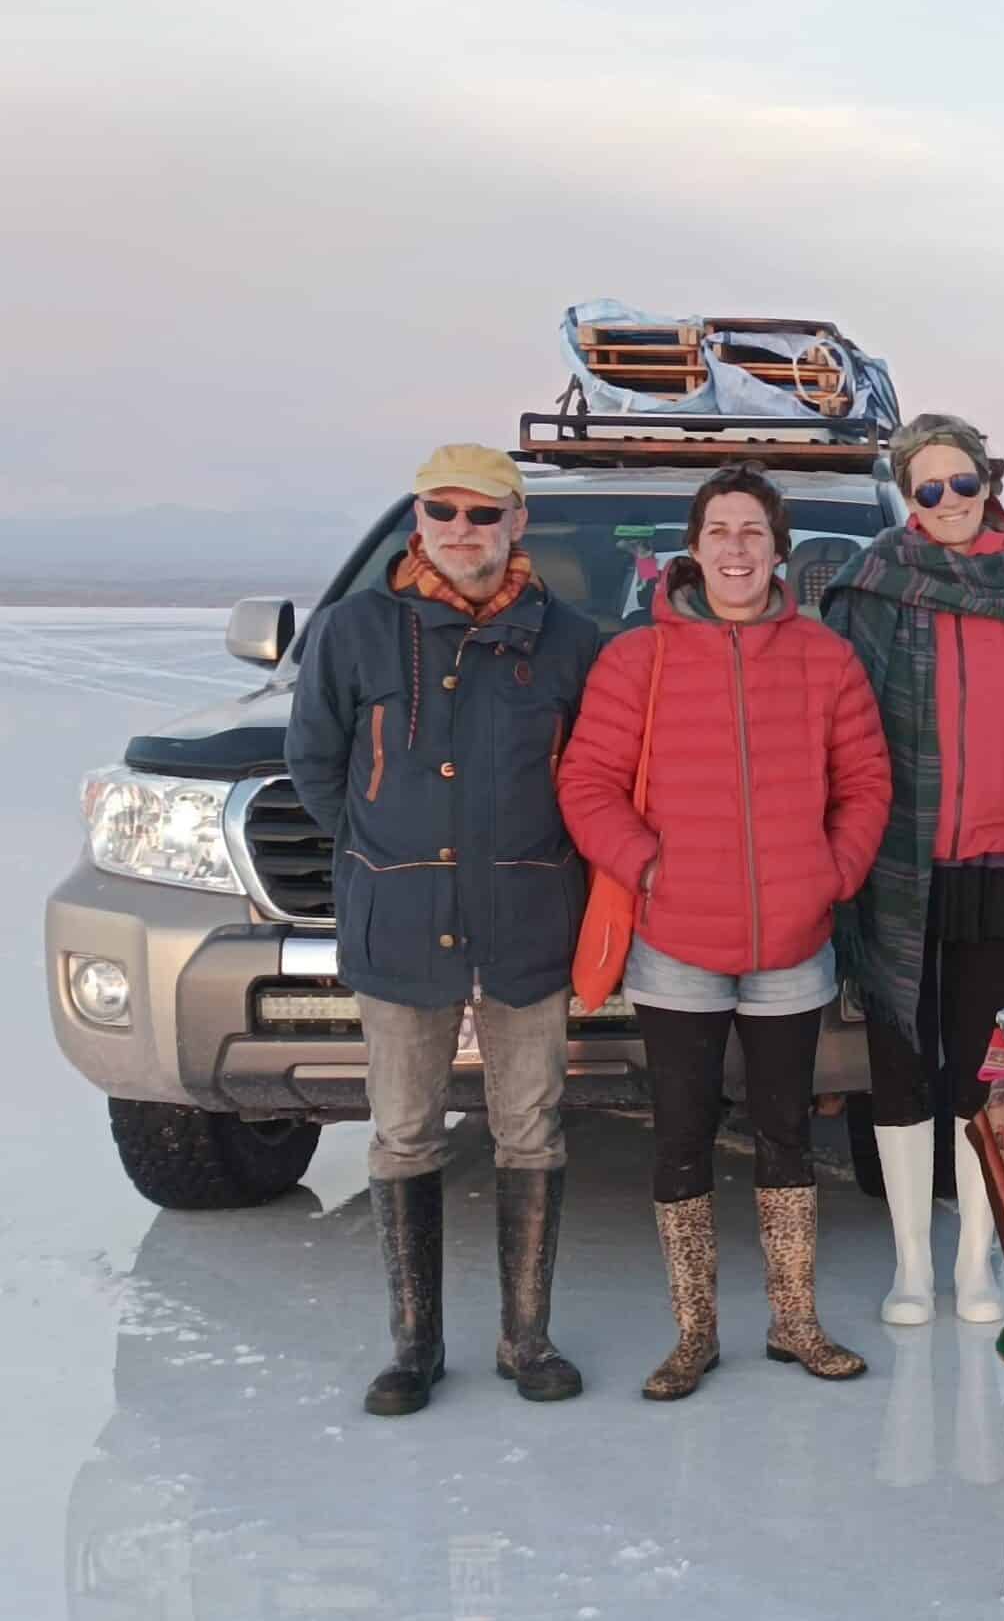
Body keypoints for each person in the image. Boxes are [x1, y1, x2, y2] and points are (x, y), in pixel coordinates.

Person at [558, 464, 890, 1400]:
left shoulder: (824, 659)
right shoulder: (639, 660)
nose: (737, 548)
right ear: (692, 549)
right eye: (720, 531)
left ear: (777, 549)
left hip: (793, 944)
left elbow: (865, 783)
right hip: (676, 948)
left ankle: (794, 1321)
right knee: (681, 1136)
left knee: (787, 1135)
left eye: (754, 531)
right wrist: (652, 866)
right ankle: (694, 1333)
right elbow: (587, 784)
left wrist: (830, 874)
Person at [286, 444, 601, 1416]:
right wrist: (390, 847)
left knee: (529, 1127)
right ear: (418, 520)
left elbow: (593, 777)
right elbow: (315, 764)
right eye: (442, 511)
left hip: (526, 917)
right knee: (404, 1130)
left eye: (483, 512)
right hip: (402, 920)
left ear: (517, 524)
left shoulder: (571, 641)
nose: (461, 530)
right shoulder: (355, 632)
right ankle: (413, 1344)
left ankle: (526, 1338)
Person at [827, 414, 1004, 1328]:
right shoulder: (871, 587)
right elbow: (839, 731)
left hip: (992, 861)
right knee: (899, 1060)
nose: (946, 503)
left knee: (978, 1070)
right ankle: (909, 1266)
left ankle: (975, 1259)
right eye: (925, 489)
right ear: (905, 494)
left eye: (960, 485)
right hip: (892, 860)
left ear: (988, 483)